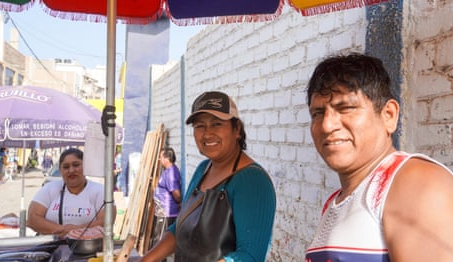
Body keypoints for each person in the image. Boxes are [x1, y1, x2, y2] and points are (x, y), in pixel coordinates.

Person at [305, 53, 453, 261]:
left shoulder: (415, 183)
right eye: (317, 113)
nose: (327, 125)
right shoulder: (339, 200)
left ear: (388, 115)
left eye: (346, 108)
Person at [142, 91, 276, 262]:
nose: (207, 134)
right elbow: (180, 229)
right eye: (199, 126)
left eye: (217, 124)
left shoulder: (252, 181)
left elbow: (249, 256)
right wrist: (144, 260)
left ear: (237, 129)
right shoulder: (202, 170)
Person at [27, 148, 115, 239]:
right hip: (51, 247)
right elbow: (33, 219)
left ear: (86, 166)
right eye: (66, 167)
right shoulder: (49, 189)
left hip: (87, 248)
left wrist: (74, 230)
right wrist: (64, 230)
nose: (71, 170)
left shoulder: (100, 191)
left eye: (76, 165)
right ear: (60, 170)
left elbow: (107, 220)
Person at [148, 147, 182, 250]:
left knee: (160, 242)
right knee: (158, 240)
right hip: (162, 211)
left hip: (167, 212)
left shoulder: (171, 173)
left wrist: (180, 203)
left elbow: (176, 194)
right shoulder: (168, 171)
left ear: (167, 158)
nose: (160, 159)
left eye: (161, 157)